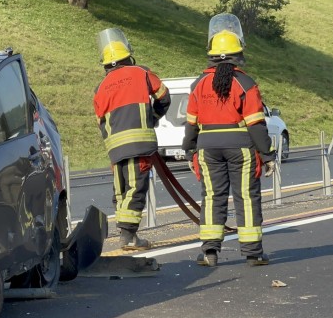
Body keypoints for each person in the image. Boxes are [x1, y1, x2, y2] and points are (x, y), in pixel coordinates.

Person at [181, 13, 275, 267]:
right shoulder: (245, 83)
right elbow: (255, 124)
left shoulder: (198, 84)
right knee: (246, 195)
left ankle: (209, 252)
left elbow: (191, 123)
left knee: (212, 196)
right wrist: (267, 155)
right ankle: (253, 252)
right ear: (239, 51)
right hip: (241, 148)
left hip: (207, 147)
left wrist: (189, 151)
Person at [93, 28, 171, 250]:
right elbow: (164, 98)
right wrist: (152, 118)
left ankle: (125, 233)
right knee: (137, 187)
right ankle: (129, 236)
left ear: (106, 63)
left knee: (122, 189)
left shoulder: (100, 87)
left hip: (115, 147)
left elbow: (100, 120)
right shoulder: (141, 73)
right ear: (128, 55)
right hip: (140, 144)